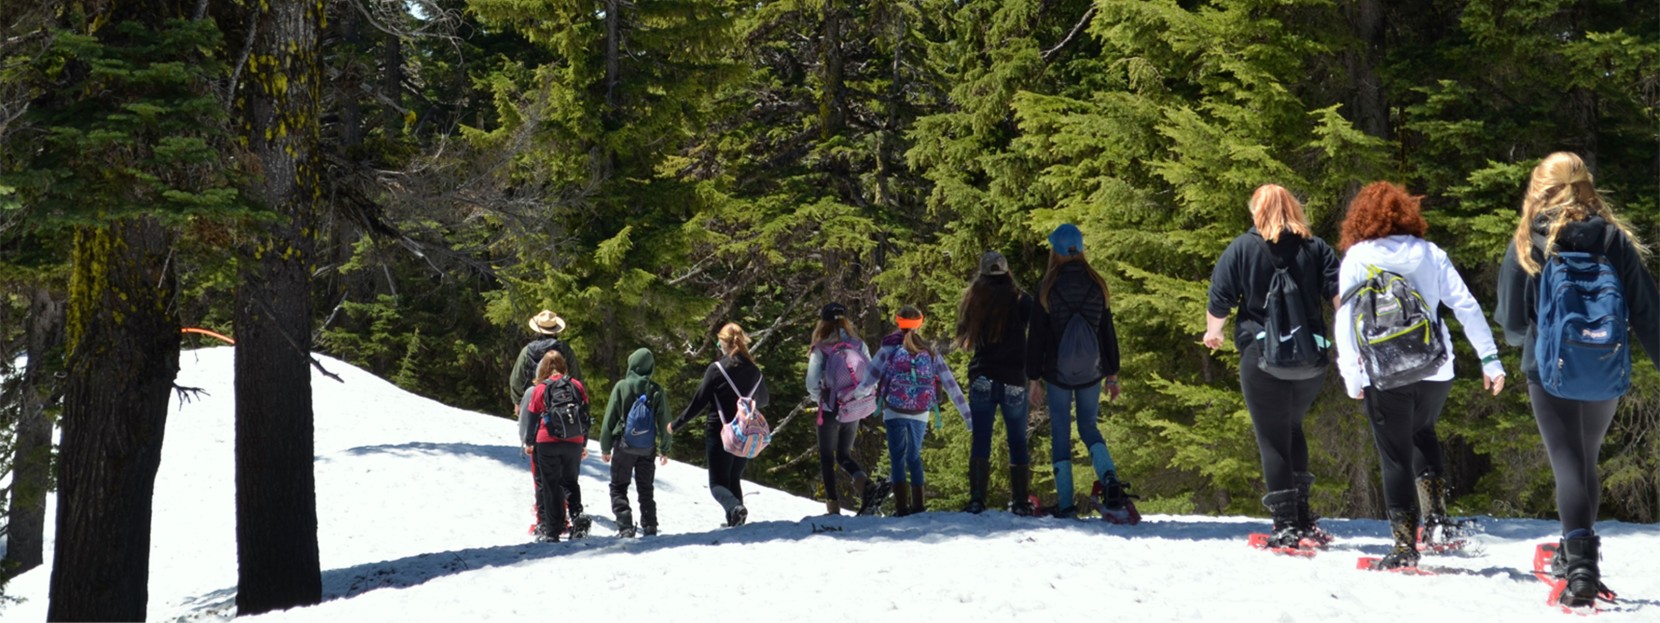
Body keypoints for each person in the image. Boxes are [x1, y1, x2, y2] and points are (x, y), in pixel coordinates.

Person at [1494, 152, 1660, 608]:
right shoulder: (1612, 238)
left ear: (1540, 189)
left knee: (1567, 463)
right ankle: (1576, 555)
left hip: (1547, 368)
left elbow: (1510, 322)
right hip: (1604, 366)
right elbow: (1647, 311)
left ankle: (1581, 570)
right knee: (1585, 459)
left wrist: (1526, 336)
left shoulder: (1530, 240)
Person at [1333, 181, 1506, 569]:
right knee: (1422, 433)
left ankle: (1403, 546)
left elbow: (1345, 321)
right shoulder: (1430, 253)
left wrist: (1351, 377)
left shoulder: (1358, 258)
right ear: (1407, 213)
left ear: (1361, 217)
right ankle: (1437, 523)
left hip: (1385, 371)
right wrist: (1489, 359)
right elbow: (1465, 304)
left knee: (1394, 455)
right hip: (1434, 367)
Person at [1203, 185, 1339, 548]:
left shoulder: (1242, 248)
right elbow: (1341, 297)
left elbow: (1219, 302)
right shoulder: (1317, 248)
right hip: (1311, 361)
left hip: (1260, 357)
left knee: (1272, 437)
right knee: (1292, 427)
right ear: (1295, 207)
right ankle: (1305, 519)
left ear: (1255, 213)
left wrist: (1212, 334)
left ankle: (1286, 526)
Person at [1026, 224, 1131, 521]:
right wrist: (1112, 375)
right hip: (1091, 371)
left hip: (1057, 372)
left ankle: (1066, 503)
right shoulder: (1098, 284)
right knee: (1088, 427)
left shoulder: (1047, 287)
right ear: (1081, 248)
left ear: (1055, 251)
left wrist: (1034, 378)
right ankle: (1109, 479)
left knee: (1060, 429)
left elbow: (1037, 337)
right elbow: (1107, 333)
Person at [954, 251, 1035, 515]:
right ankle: (1021, 501)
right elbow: (1038, 330)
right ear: (1007, 271)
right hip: (1014, 378)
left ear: (983, 272)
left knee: (981, 439)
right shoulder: (1022, 300)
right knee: (1017, 440)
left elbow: (964, 338)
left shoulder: (973, 299)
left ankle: (977, 498)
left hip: (983, 376)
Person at [870, 306, 970, 516]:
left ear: (898, 321)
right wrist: (968, 417)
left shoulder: (888, 349)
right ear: (920, 323)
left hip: (894, 409)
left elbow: (868, 379)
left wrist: (857, 397)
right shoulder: (929, 351)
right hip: (921, 411)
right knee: (914, 456)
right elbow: (951, 385)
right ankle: (919, 506)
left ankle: (901, 508)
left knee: (897, 457)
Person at [668, 323, 770, 527]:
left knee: (717, 484)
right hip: (744, 432)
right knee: (733, 478)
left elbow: (698, 403)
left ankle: (734, 510)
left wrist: (675, 425)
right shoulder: (754, 371)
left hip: (720, 431)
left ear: (724, 342)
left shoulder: (717, 369)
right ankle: (736, 522)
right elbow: (764, 399)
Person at [805, 302, 888, 516]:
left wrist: (820, 399)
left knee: (827, 456)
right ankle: (864, 485)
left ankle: (833, 507)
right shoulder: (858, 345)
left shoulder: (821, 347)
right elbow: (871, 374)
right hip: (853, 407)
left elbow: (811, 382)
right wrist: (859, 396)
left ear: (822, 322)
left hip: (831, 407)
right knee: (843, 454)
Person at [508, 310, 585, 532]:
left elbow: (516, 380)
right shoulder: (565, 350)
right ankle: (565, 517)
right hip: (566, 419)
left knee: (542, 475)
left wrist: (517, 401)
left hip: (536, 404)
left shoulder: (527, 351)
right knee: (566, 475)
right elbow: (577, 378)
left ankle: (546, 518)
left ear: (537, 329)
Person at [516, 350, 592, 542]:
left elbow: (533, 418)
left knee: (550, 485)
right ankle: (577, 518)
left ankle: (552, 531)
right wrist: (583, 443)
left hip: (547, 441)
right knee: (570, 482)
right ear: (564, 365)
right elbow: (585, 416)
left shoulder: (541, 388)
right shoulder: (576, 385)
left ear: (543, 368)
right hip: (573, 441)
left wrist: (530, 442)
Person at [599, 347, 672, 538]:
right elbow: (665, 422)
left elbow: (610, 418)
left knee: (618, 486)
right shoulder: (656, 390)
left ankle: (625, 526)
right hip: (647, 448)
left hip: (623, 446)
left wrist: (605, 446)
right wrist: (665, 448)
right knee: (646, 488)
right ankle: (650, 525)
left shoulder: (622, 386)